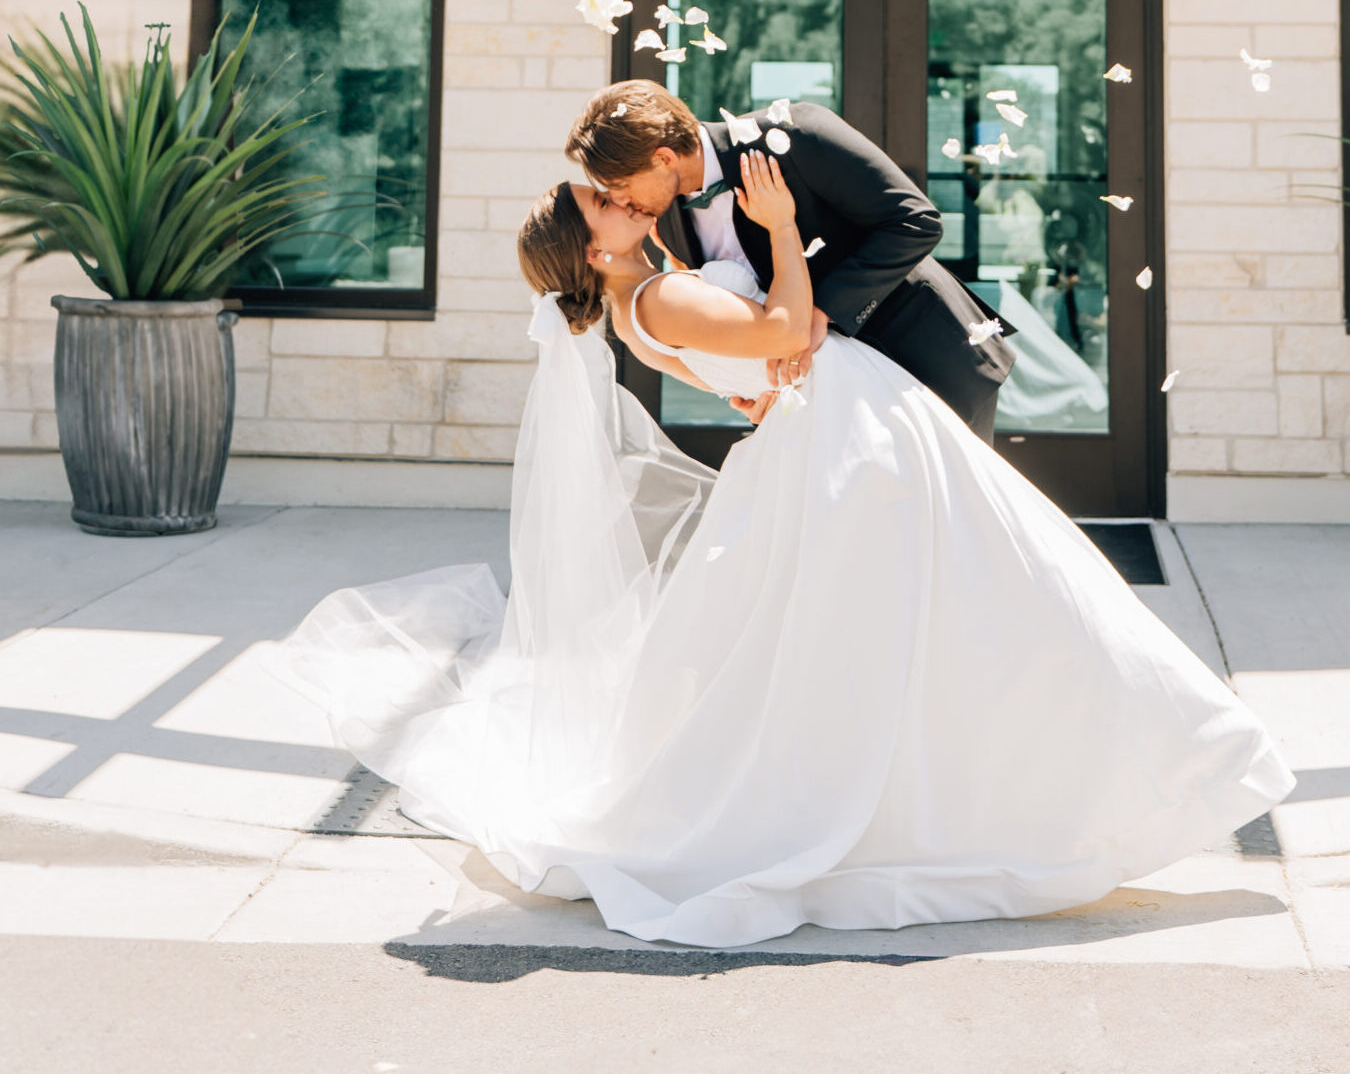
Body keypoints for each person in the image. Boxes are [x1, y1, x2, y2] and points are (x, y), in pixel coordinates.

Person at [274, 127, 1294, 951]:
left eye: (621, 191)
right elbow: (790, 336)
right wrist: (785, 220)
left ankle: (1085, 773)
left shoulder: (642, 296)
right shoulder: (656, 292)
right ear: (593, 249)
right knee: (1012, 602)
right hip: (846, 448)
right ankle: (1145, 767)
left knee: (954, 618)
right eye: (607, 205)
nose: (627, 203)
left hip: (841, 440)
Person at [565, 82, 1015, 442]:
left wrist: (823, 310)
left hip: (925, 363)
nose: (621, 201)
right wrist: (752, 386)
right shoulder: (665, 224)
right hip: (836, 405)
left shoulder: (794, 133)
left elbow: (915, 222)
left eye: (620, 184)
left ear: (662, 158)